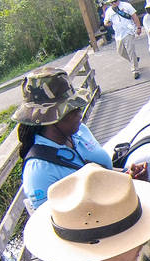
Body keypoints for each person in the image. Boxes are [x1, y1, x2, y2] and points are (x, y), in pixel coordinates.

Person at [13, 68, 114, 213]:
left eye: (77, 106)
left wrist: (126, 174)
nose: (79, 113)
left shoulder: (79, 131)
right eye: (70, 109)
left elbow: (104, 170)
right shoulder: (39, 171)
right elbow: (51, 222)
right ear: (48, 118)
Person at [103, 0, 142, 79]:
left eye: (116, 1)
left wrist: (138, 27)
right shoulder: (109, 11)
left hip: (128, 31)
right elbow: (106, 21)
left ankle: (135, 70)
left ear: (119, 0)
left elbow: (134, 16)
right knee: (121, 52)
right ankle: (134, 60)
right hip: (118, 34)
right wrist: (107, 23)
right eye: (112, 2)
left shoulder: (126, 6)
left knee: (130, 50)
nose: (114, 3)